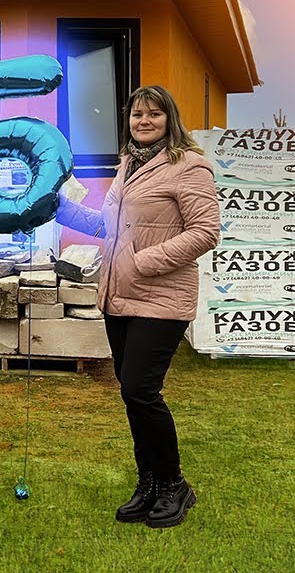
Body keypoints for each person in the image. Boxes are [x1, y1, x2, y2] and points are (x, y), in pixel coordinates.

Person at [57, 84, 220, 528]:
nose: (143, 121)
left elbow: (205, 231)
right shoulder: (127, 164)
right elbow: (111, 227)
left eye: (153, 114)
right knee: (132, 394)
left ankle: (174, 485)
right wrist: (58, 208)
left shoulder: (189, 165)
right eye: (136, 115)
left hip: (161, 297)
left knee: (141, 391)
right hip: (119, 296)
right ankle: (148, 483)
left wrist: (145, 261)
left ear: (170, 119)